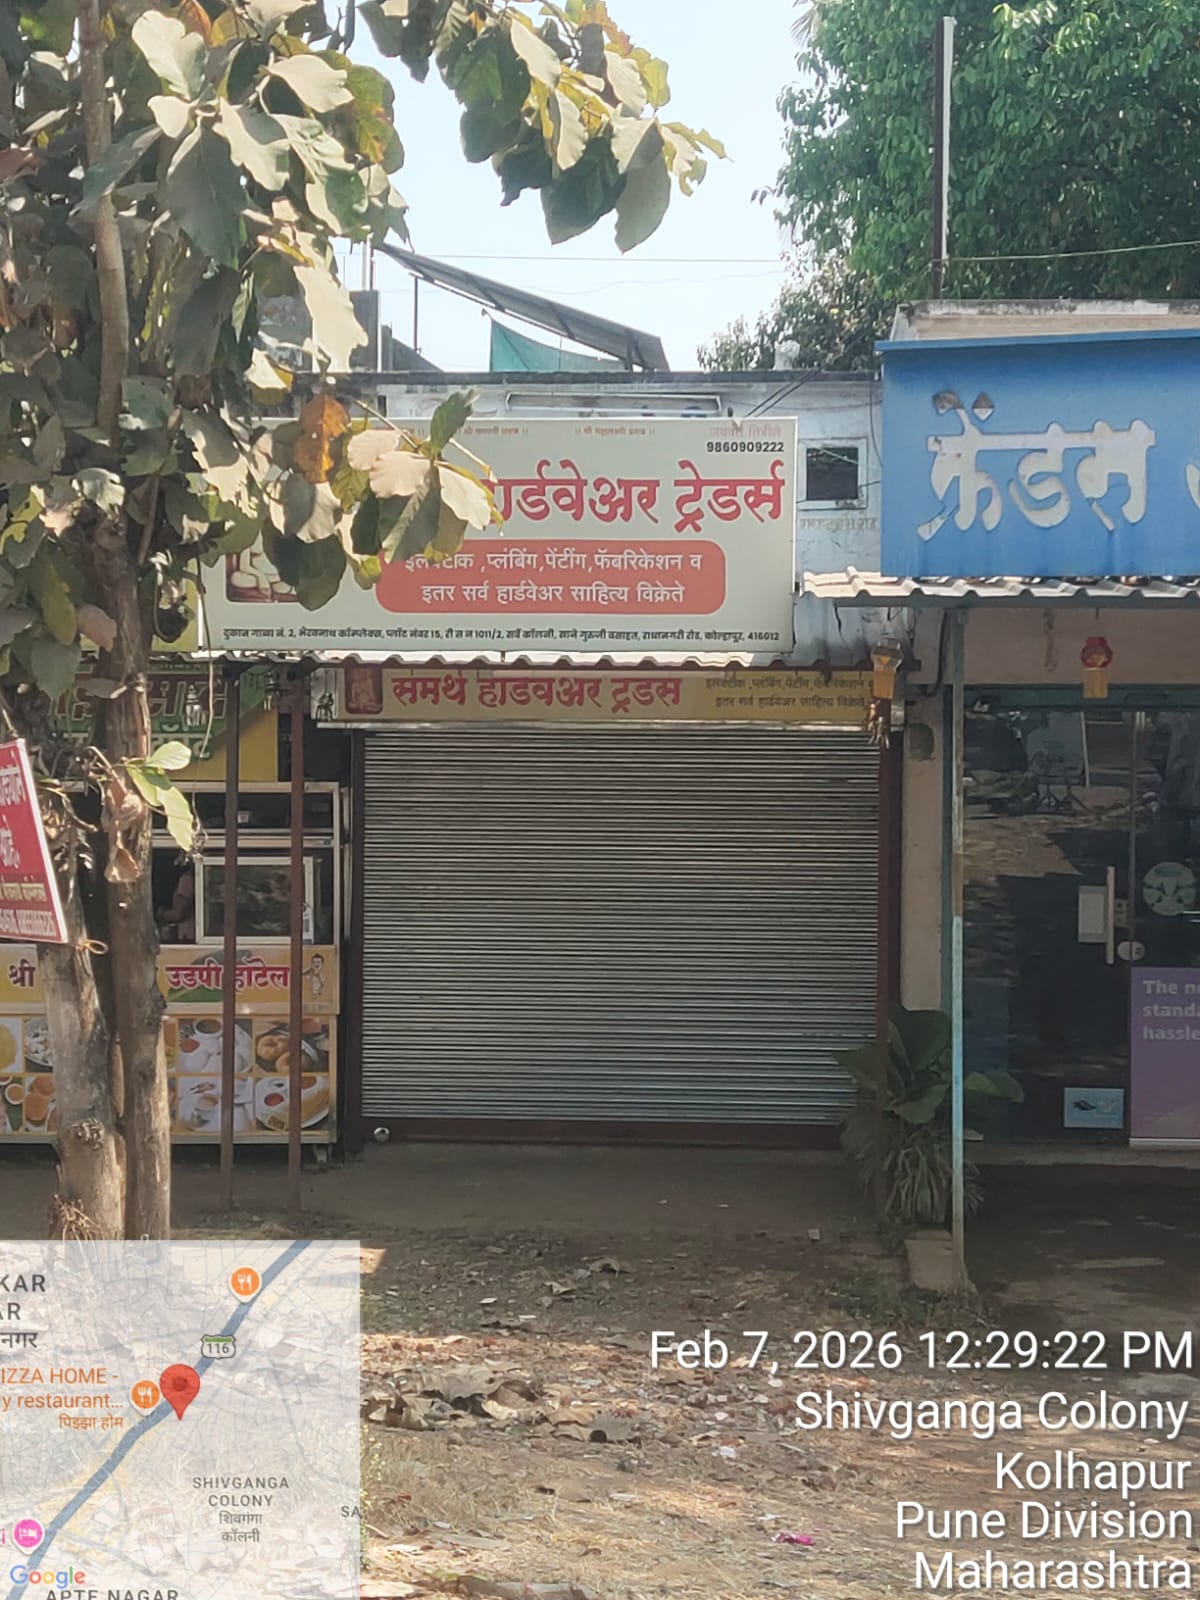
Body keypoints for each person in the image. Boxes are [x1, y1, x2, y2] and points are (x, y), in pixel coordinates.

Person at [158, 857, 196, 943]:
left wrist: (161, 914)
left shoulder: (187, 879)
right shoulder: (201, 876)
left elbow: (178, 914)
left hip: (188, 936)